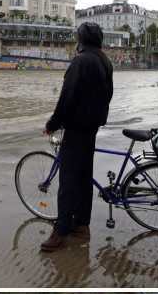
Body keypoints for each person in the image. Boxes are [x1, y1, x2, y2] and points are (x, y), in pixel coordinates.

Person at [39, 21, 113, 251]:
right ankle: (81, 225)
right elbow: (107, 94)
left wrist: (53, 123)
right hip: (92, 126)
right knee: (83, 179)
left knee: (68, 183)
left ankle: (61, 231)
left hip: (77, 128)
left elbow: (67, 98)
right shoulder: (104, 60)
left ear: (80, 39)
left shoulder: (81, 61)